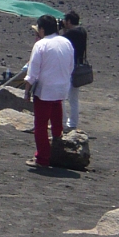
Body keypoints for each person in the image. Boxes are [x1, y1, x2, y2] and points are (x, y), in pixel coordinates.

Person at [23, 14, 75, 169]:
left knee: (40, 125)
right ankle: (58, 148)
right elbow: (70, 66)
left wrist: (27, 91)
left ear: (42, 29)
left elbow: (33, 72)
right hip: (62, 88)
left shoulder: (41, 45)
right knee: (57, 122)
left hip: (46, 90)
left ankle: (43, 158)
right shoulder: (66, 42)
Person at [60, 11, 87, 131]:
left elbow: (59, 41)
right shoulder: (82, 31)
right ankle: (73, 123)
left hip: (70, 68)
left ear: (69, 21)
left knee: (62, 96)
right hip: (78, 67)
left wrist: (60, 29)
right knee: (74, 98)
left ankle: (64, 123)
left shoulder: (72, 33)